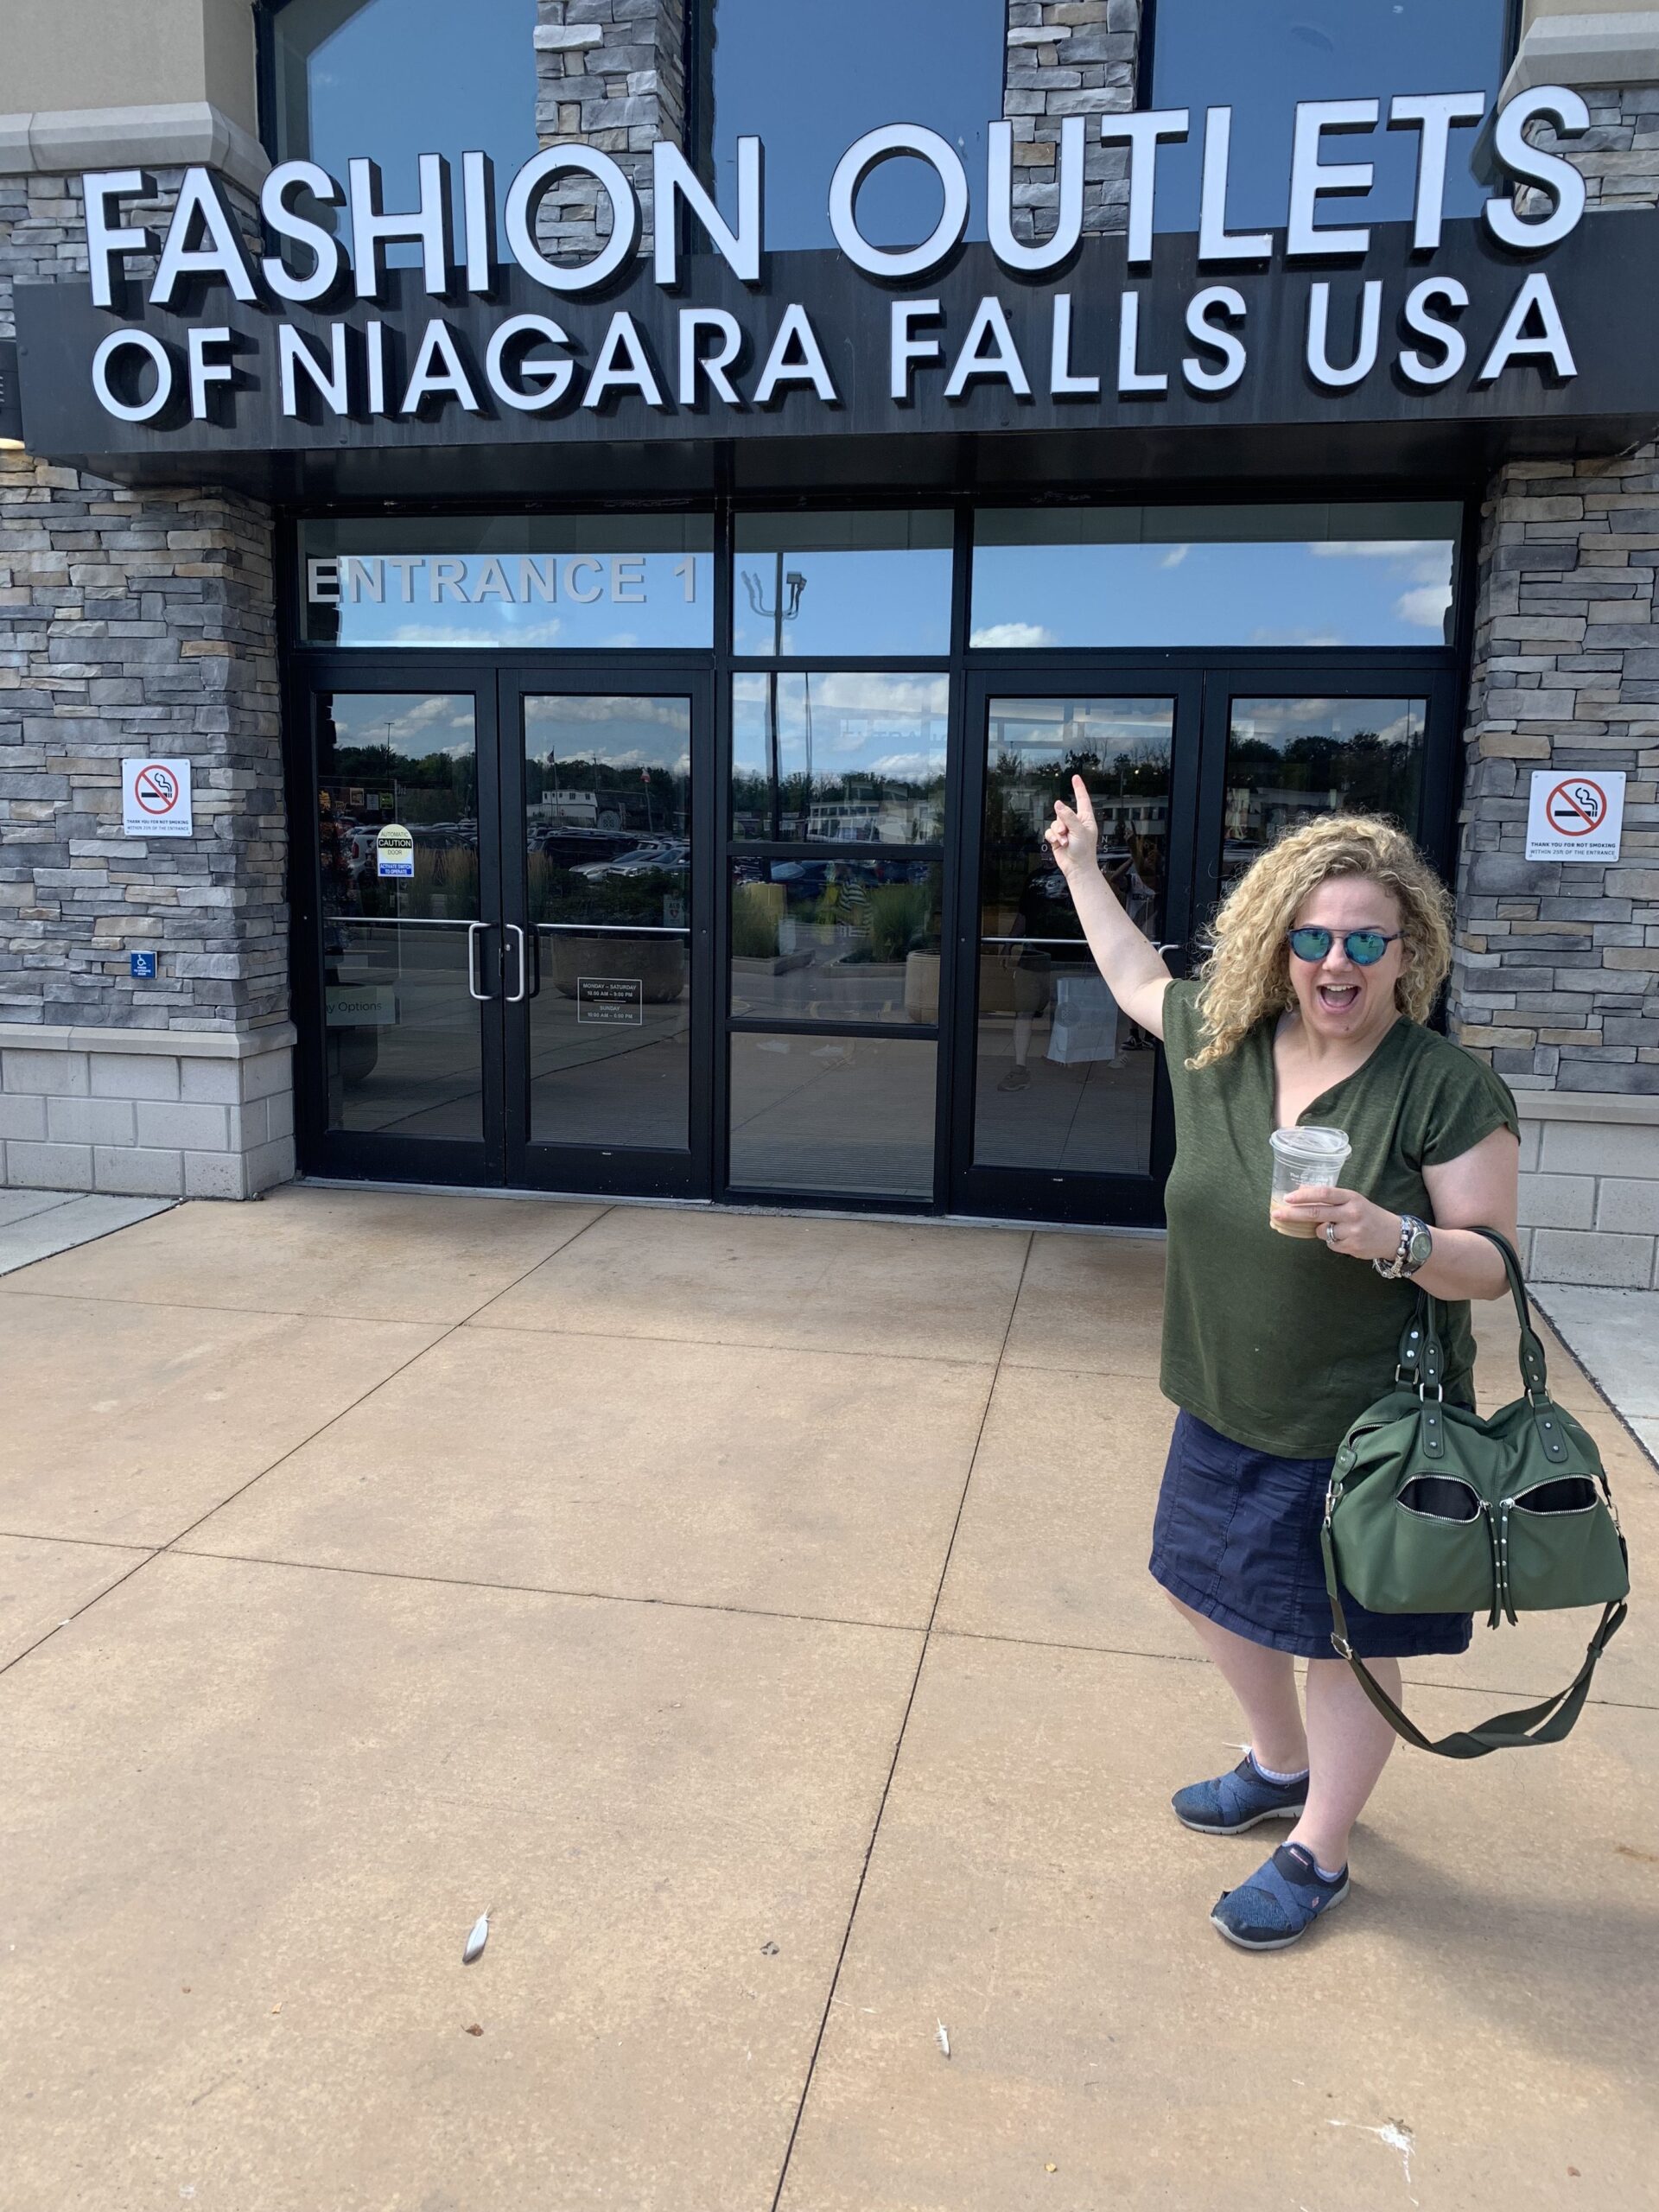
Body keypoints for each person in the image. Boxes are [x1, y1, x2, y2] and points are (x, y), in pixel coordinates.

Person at [1044, 787, 1520, 1951]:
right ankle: (1276, 1763)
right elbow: (1131, 979)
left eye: (1368, 939)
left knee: (1344, 1643)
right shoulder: (1224, 1045)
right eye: (1315, 937)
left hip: (1369, 1426)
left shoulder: (1442, 1086)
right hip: (1227, 1395)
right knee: (1198, 1585)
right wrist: (1083, 870)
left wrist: (1396, 1236)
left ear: (1411, 954)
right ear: (1282, 945)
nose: (1339, 961)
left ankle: (1321, 1848)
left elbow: (1492, 1265)